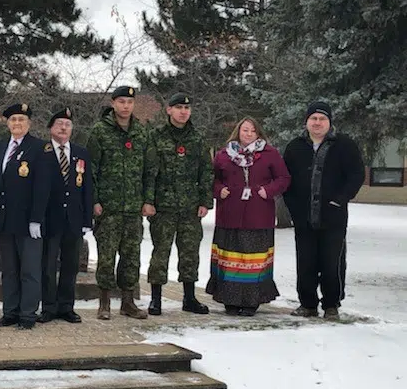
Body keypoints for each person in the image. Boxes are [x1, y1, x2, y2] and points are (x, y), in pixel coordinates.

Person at [282, 101, 365, 320]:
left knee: (332, 262)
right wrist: (293, 208)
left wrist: (340, 199)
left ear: (329, 122)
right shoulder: (295, 147)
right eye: (313, 119)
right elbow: (286, 180)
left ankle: (331, 304)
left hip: (333, 216)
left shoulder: (344, 145)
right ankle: (307, 304)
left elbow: (356, 175)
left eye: (322, 119)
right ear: (306, 121)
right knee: (306, 261)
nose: (317, 123)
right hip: (304, 217)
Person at [206, 117, 291, 316]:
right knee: (230, 259)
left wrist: (268, 191)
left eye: (253, 131)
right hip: (230, 215)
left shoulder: (270, 154)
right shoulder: (224, 155)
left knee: (253, 260)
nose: (248, 134)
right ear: (238, 132)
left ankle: (252, 301)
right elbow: (212, 179)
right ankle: (230, 299)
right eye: (245, 130)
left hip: (258, 215)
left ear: (258, 133)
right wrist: (219, 190)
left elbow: (283, 178)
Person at [144, 93, 213, 315]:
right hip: (163, 207)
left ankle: (189, 297)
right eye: (179, 107)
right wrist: (148, 201)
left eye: (187, 108)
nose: (183, 111)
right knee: (160, 253)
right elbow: (149, 171)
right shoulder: (155, 137)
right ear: (168, 110)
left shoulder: (197, 138)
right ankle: (156, 299)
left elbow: (206, 172)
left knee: (190, 253)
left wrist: (205, 201)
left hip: (190, 207)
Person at [86, 85, 149, 320]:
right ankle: (104, 302)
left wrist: (147, 200)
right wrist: (95, 201)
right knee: (106, 257)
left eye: (129, 102)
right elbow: (90, 170)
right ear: (113, 103)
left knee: (131, 256)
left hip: (133, 208)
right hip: (109, 208)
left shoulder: (141, 133)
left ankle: (128, 302)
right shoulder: (100, 132)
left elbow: (149, 170)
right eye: (121, 101)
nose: (125, 106)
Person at [0, 103, 51, 330]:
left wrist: (37, 218)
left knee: (29, 270)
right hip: (5, 221)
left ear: (29, 124)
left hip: (28, 222)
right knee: (10, 270)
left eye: (21, 120)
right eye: (13, 119)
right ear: (7, 123)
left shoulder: (40, 148)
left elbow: (43, 187)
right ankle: (10, 311)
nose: (17, 123)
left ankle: (27, 314)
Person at [38, 108, 93, 324]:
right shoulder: (42, 152)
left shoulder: (81, 153)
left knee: (71, 266)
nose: (63, 127)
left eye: (68, 124)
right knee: (48, 267)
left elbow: (87, 188)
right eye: (59, 123)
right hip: (50, 220)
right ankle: (49, 307)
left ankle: (66, 306)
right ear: (51, 128)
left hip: (73, 219)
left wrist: (87, 219)